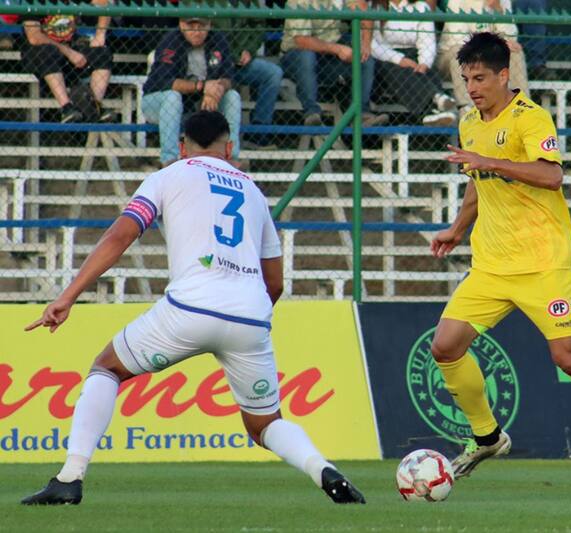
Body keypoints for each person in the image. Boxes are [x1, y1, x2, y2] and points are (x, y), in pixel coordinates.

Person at [20, 110, 366, 506]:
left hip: (190, 307)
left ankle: (69, 478)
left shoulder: (170, 175)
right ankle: (323, 469)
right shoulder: (253, 192)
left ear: (182, 147)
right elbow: (275, 282)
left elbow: (122, 234)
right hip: (251, 316)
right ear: (230, 148)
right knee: (265, 423)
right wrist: (242, 320)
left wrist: (69, 295)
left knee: (107, 367)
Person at [430, 32, 571, 498]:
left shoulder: (531, 118)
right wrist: (457, 229)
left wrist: (489, 160)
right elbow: (477, 183)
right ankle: (487, 437)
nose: (472, 88)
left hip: (543, 261)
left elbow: (551, 175)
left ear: (505, 75)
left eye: (480, 78)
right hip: (491, 263)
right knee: (445, 347)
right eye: (466, 79)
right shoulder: (469, 123)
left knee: (567, 357)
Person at [142, 16, 242, 167]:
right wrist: (202, 87)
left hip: (200, 105)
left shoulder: (218, 39)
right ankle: (168, 159)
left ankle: (231, 157)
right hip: (157, 103)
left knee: (232, 96)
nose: (196, 32)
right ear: (182, 25)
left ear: (209, 26)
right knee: (172, 96)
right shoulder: (171, 40)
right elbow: (165, 81)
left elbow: (230, 77)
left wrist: (218, 88)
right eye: (191, 27)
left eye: (201, 27)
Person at [279, 0, 389, 127]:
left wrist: (365, 44)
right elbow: (302, 41)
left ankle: (361, 114)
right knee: (307, 56)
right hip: (295, 56)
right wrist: (338, 49)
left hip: (327, 57)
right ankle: (311, 113)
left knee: (364, 60)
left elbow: (363, 8)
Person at [19, 0, 116, 123]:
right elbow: (34, 37)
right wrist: (69, 52)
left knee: (101, 53)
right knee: (46, 51)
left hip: (69, 53)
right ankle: (67, 109)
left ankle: (94, 108)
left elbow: (105, 3)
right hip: (40, 58)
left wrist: (100, 34)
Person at [370, 0, 458, 126]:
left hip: (413, 54)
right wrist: (399, 59)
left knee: (428, 69)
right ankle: (436, 98)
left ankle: (432, 111)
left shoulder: (421, 7)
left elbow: (427, 42)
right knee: (399, 70)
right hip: (385, 57)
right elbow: (371, 45)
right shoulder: (374, 7)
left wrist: (424, 63)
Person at [437, 0, 529, 117]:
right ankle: (468, 110)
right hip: (450, 57)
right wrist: (490, 46)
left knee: (515, 53)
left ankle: (522, 108)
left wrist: (498, 9)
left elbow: (510, 37)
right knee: (458, 52)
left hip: (486, 56)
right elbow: (459, 38)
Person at [216, 0, 284, 147]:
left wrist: (249, 50)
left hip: (241, 63)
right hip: (214, 63)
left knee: (273, 73)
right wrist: (232, 56)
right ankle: (214, 137)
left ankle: (258, 132)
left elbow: (258, 25)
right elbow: (197, 28)